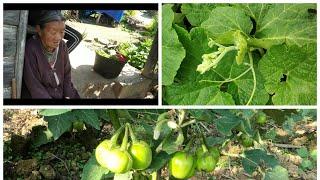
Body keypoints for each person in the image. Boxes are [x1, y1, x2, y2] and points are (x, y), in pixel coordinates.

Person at [23, 10, 80, 99]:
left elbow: (67, 75)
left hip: (61, 92)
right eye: (53, 32)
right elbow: (34, 85)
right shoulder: (31, 48)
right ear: (39, 30)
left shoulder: (62, 46)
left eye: (62, 32)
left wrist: (68, 95)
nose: (58, 37)